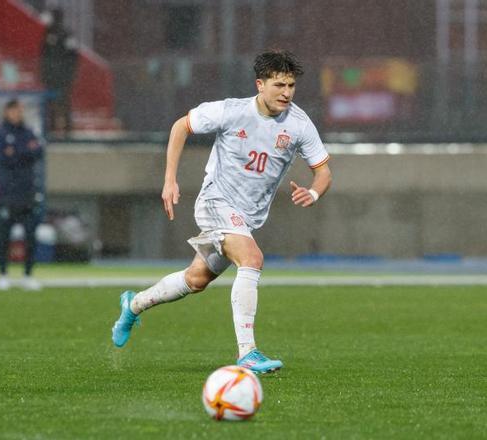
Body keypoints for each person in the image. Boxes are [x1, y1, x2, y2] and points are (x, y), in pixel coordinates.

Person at [111, 50, 332, 374]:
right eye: (279, 85)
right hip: (216, 202)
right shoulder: (231, 111)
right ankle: (248, 352)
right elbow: (180, 126)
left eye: (291, 85)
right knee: (252, 259)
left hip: (246, 218)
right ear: (260, 84)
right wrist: (169, 180)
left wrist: (313, 192)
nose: (287, 93)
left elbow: (324, 170)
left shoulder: (299, 124)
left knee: (196, 279)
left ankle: (133, 305)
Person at [0, 99, 44, 290]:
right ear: (7, 112)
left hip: (27, 194)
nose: (17, 114)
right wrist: (23, 153)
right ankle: (3, 274)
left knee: (30, 236)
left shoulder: (29, 132)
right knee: (3, 237)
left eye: (20, 111)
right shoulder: (0, 133)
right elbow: (1, 157)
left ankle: (28, 275)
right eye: (14, 110)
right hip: (7, 194)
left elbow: (38, 152)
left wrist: (15, 153)